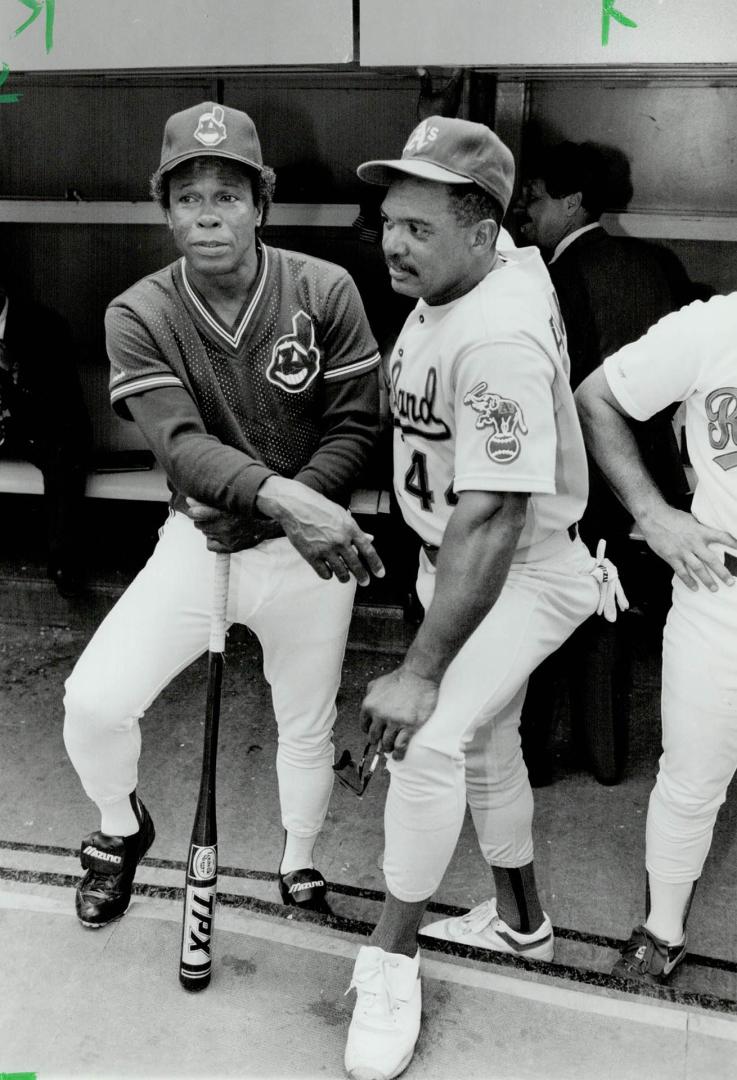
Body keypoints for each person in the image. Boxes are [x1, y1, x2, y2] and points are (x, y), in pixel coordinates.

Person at [62, 101, 385, 929]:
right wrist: (278, 500)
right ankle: (118, 829)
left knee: (305, 724)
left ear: (260, 203)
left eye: (228, 195)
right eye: (188, 197)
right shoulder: (138, 312)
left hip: (307, 557)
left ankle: (299, 859)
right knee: (95, 701)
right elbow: (179, 446)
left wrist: (292, 513)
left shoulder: (324, 288)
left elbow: (356, 421)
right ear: (165, 209)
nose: (208, 215)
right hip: (198, 544)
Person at [343, 116, 617, 1080]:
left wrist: (420, 671)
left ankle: (389, 959)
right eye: (388, 219)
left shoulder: (496, 332)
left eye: (418, 225)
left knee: (427, 738)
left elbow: (494, 520)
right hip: (453, 560)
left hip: (522, 570)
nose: (393, 241)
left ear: (479, 223)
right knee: (487, 741)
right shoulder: (477, 273)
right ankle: (522, 923)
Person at [517, 141, 701, 785]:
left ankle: (534, 758)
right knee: (609, 616)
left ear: (573, 202)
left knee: (542, 613)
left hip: (573, 478)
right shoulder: (655, 264)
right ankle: (605, 758)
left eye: (537, 197)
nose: (527, 210)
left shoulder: (546, 277)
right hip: (648, 477)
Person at [575, 295, 737, 985]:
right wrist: (652, 512)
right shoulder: (716, 324)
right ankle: (661, 930)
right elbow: (595, 399)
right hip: (723, 586)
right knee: (691, 775)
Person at [0, 285, 91, 595]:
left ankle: (65, 563)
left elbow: (60, 401)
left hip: (36, 426)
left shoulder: (45, 325)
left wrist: (11, 375)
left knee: (63, 456)